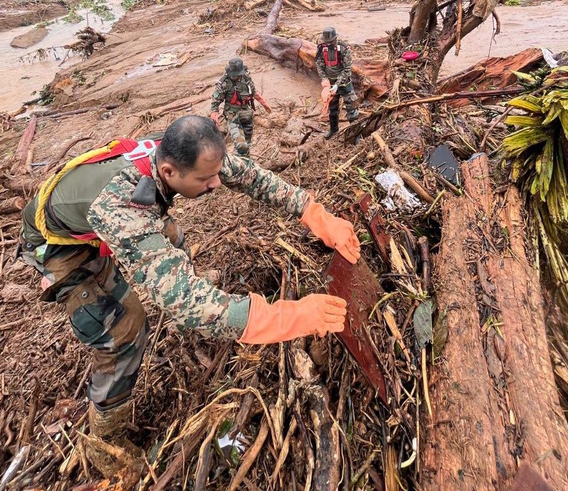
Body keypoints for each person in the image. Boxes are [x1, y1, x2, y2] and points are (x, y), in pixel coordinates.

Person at [18, 116, 359, 462]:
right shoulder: (123, 206)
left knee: (171, 238)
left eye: (215, 174)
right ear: (168, 172)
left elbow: (250, 176)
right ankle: (106, 440)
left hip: (99, 216)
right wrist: (288, 317)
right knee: (124, 328)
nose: (215, 184)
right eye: (205, 179)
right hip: (60, 246)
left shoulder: (182, 150)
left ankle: (187, 311)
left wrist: (313, 212)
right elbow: (184, 301)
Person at [210, 58, 270, 156]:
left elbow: (253, 92)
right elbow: (215, 101)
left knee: (247, 141)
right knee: (241, 144)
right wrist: (214, 115)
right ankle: (239, 160)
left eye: (238, 74)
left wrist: (264, 104)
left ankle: (245, 159)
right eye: (234, 75)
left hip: (246, 113)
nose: (236, 77)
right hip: (232, 115)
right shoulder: (224, 83)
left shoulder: (246, 78)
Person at [316, 27, 359, 139]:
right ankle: (333, 129)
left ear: (335, 38)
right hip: (330, 84)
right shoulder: (322, 49)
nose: (329, 44)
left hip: (344, 83)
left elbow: (347, 69)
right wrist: (325, 80)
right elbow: (319, 66)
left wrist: (337, 84)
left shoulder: (344, 49)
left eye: (331, 41)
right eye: (327, 42)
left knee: (352, 108)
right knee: (332, 108)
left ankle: (355, 134)